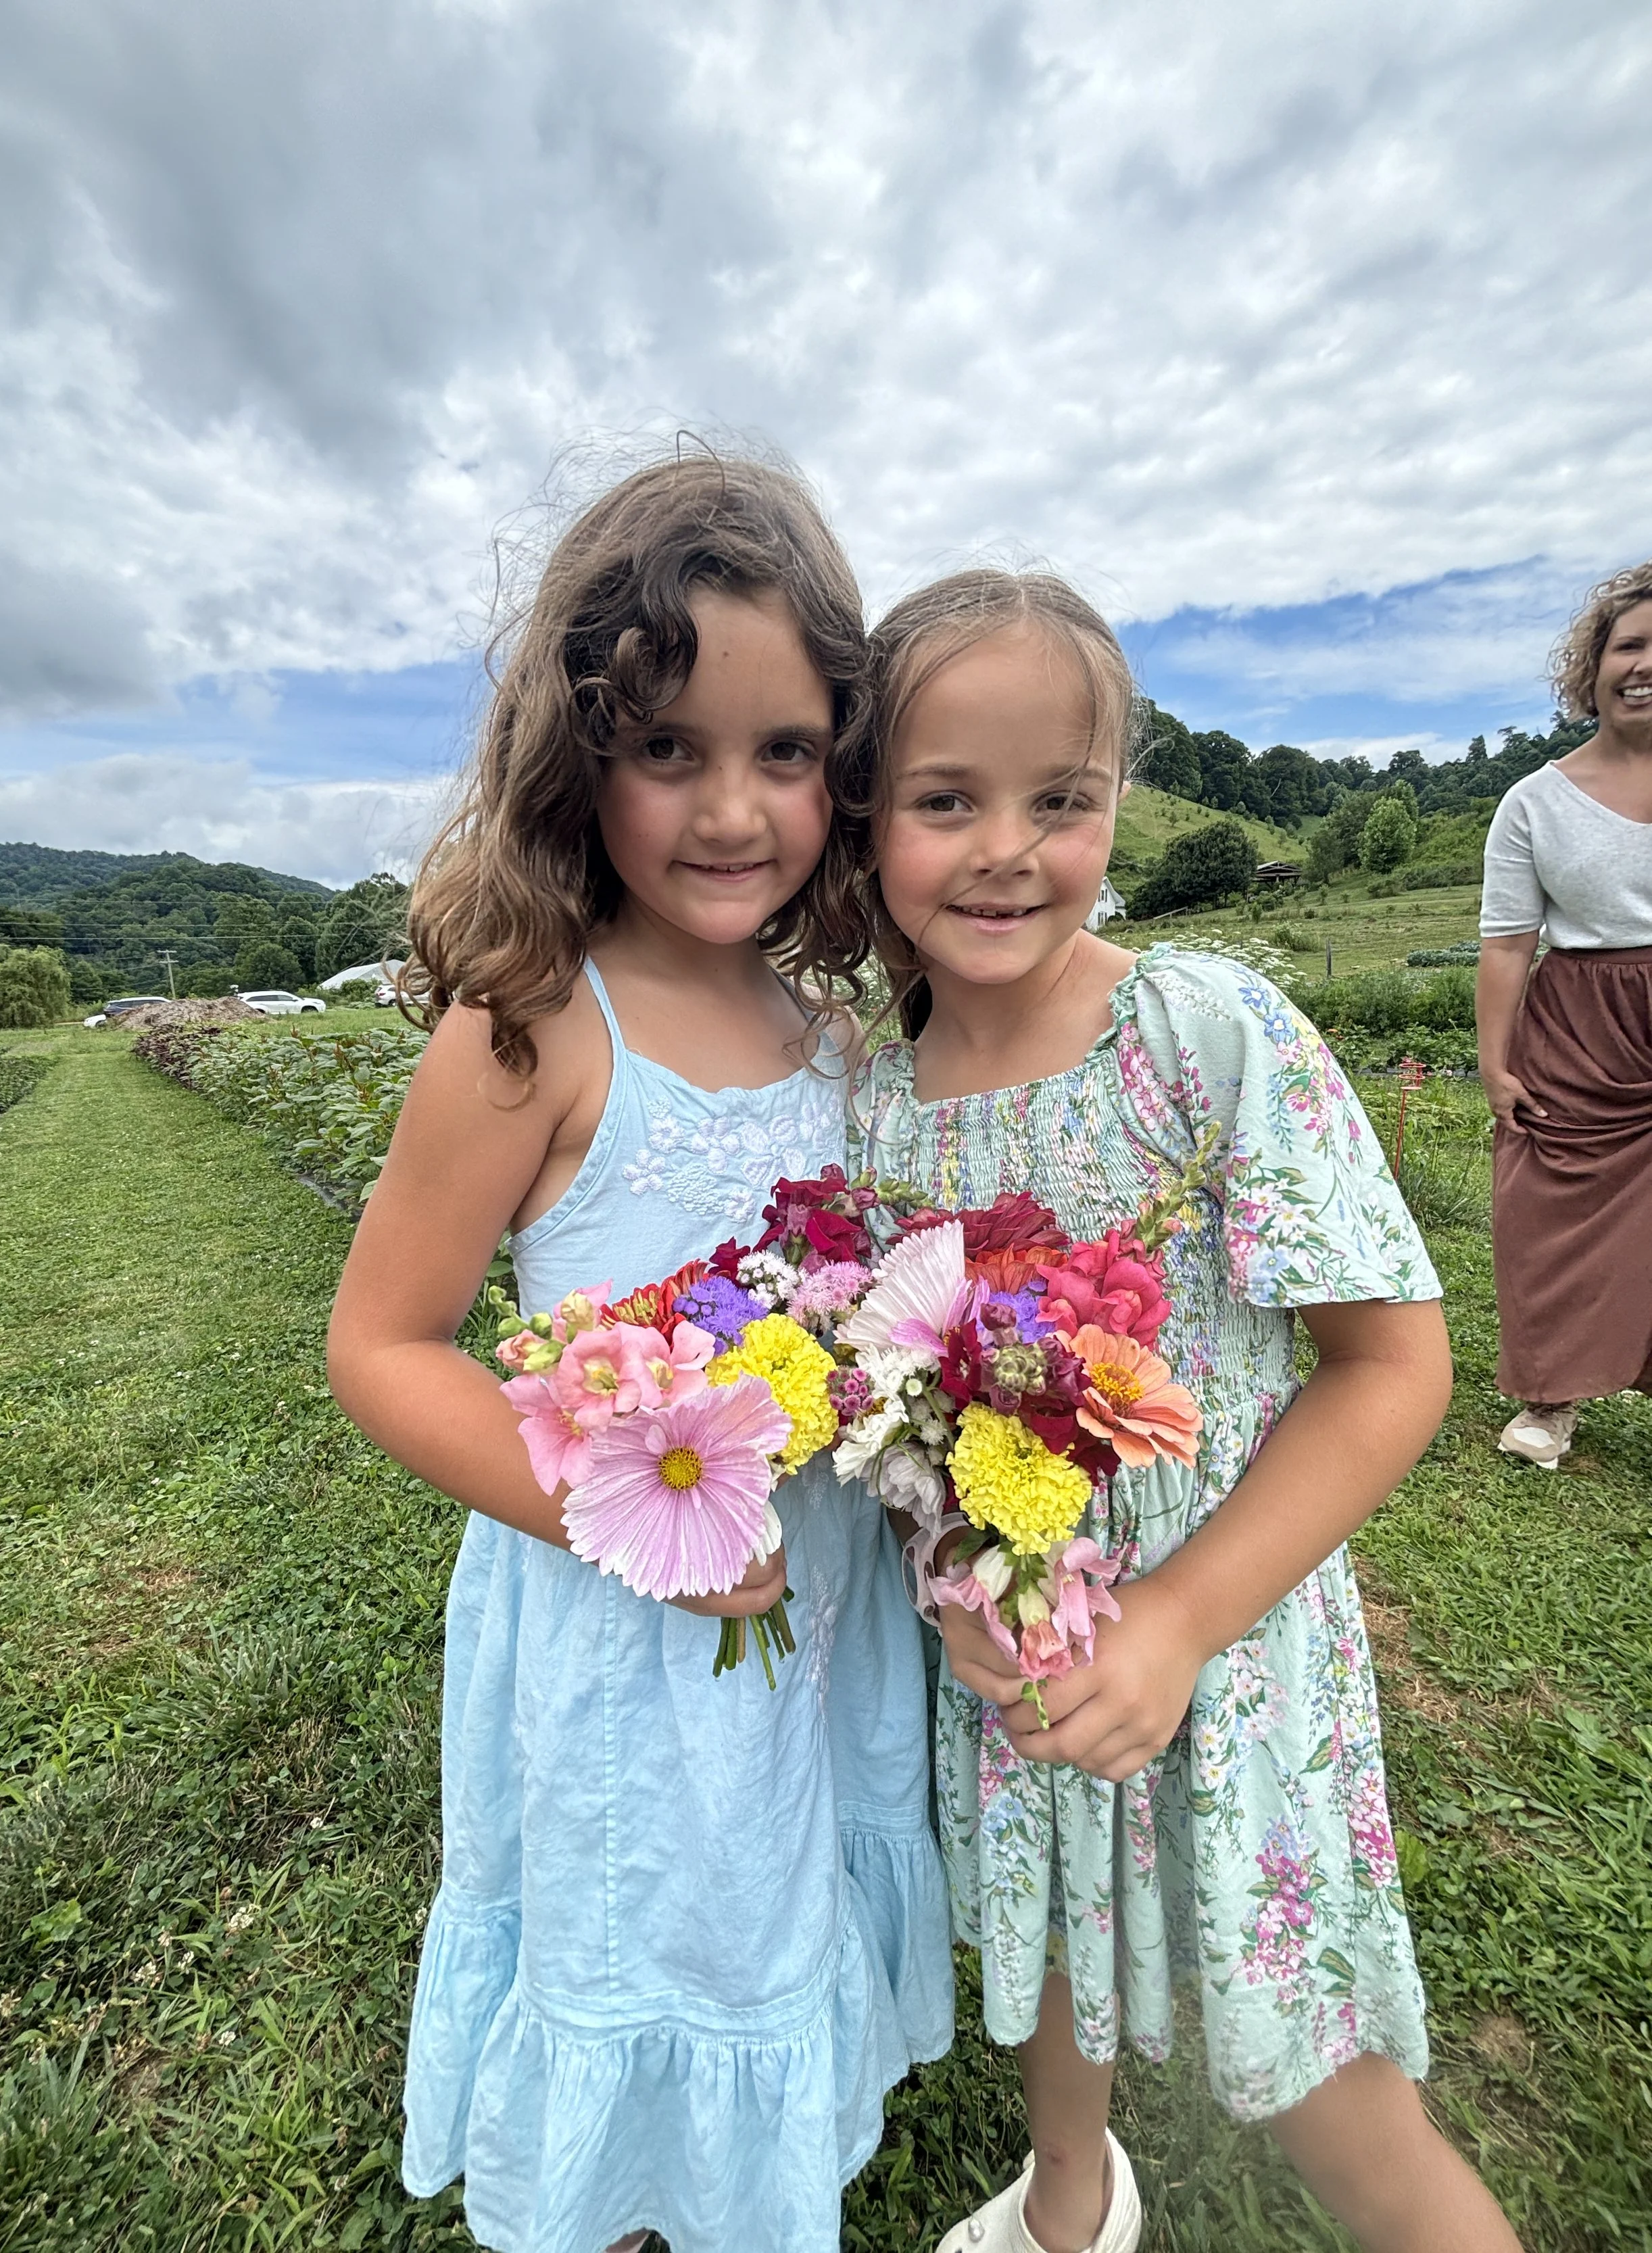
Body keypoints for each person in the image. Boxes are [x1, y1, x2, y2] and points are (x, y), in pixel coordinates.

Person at [848, 569, 1521, 2253]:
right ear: (861, 818)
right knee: (1058, 1939)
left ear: (1116, 805)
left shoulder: (1202, 1036)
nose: (1006, 847)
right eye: (944, 800)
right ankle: (1070, 2192)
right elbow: (892, 1395)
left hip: (1221, 1645)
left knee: (1313, 2057)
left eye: (1059, 799)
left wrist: (1171, 1620)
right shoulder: (861, 1099)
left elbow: (1391, 1364)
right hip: (1006, 1638)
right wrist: (955, 1584)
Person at [326, 455, 952, 2253]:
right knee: (637, 1918)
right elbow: (383, 1344)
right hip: (620, 1614)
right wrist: (621, 1513)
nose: (732, 809)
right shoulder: (533, 1019)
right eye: (667, 749)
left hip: (805, 1596)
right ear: (575, 751)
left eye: (784, 750)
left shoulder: (829, 1031)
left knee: (765, 1904)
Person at [1476, 562, 1652, 1468]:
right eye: (1631, 644)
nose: (1645, 665)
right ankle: (1550, 1401)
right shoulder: (1534, 802)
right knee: (1547, 1208)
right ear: (1594, 667)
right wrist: (1495, 1064)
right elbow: (1508, 945)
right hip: (1583, 1022)